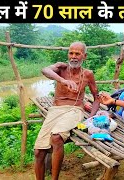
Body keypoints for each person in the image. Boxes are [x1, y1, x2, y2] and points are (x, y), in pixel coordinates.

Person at [34, 42, 100, 180]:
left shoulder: (88, 74)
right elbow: (45, 70)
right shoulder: (61, 68)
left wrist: (90, 118)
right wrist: (62, 81)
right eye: (71, 53)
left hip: (75, 110)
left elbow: (96, 98)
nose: (73, 57)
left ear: (84, 56)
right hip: (56, 110)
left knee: (56, 137)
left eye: (77, 53)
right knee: (38, 152)